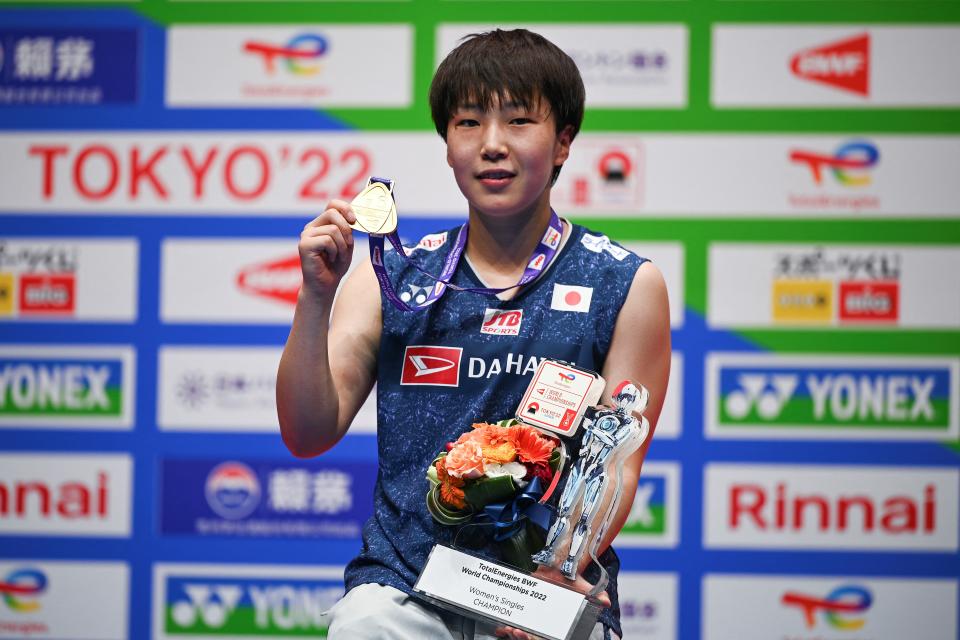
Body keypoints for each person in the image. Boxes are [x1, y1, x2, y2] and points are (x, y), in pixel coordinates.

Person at [276, 28, 671, 640]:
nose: (492, 145)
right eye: (467, 123)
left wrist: (555, 575)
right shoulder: (392, 276)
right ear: (446, 143)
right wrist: (316, 297)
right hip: (403, 588)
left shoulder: (625, 284)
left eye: (519, 121)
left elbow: (617, 467)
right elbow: (306, 433)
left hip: (548, 589)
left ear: (563, 140)